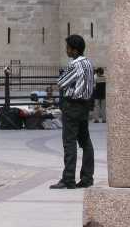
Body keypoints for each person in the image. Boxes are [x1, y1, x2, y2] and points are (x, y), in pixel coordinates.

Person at [50, 34, 95, 190]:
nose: (66, 50)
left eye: (68, 48)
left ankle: (68, 178)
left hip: (72, 105)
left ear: (75, 50)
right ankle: (87, 177)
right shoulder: (88, 63)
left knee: (69, 142)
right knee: (85, 142)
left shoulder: (75, 65)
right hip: (84, 105)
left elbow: (61, 82)